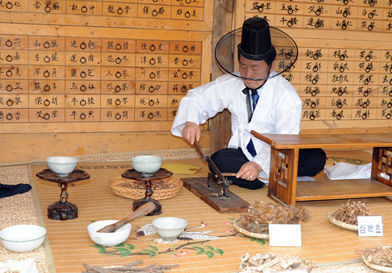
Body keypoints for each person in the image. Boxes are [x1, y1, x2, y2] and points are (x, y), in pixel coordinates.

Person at [171, 17, 326, 190]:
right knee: (219, 161)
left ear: (271, 65)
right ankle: (260, 176)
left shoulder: (287, 95)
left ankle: (258, 175)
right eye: (243, 66)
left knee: (316, 158)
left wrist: (258, 164)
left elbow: (284, 140)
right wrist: (191, 121)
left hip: (276, 153)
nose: (248, 74)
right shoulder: (233, 81)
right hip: (243, 153)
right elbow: (198, 98)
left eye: (255, 68)